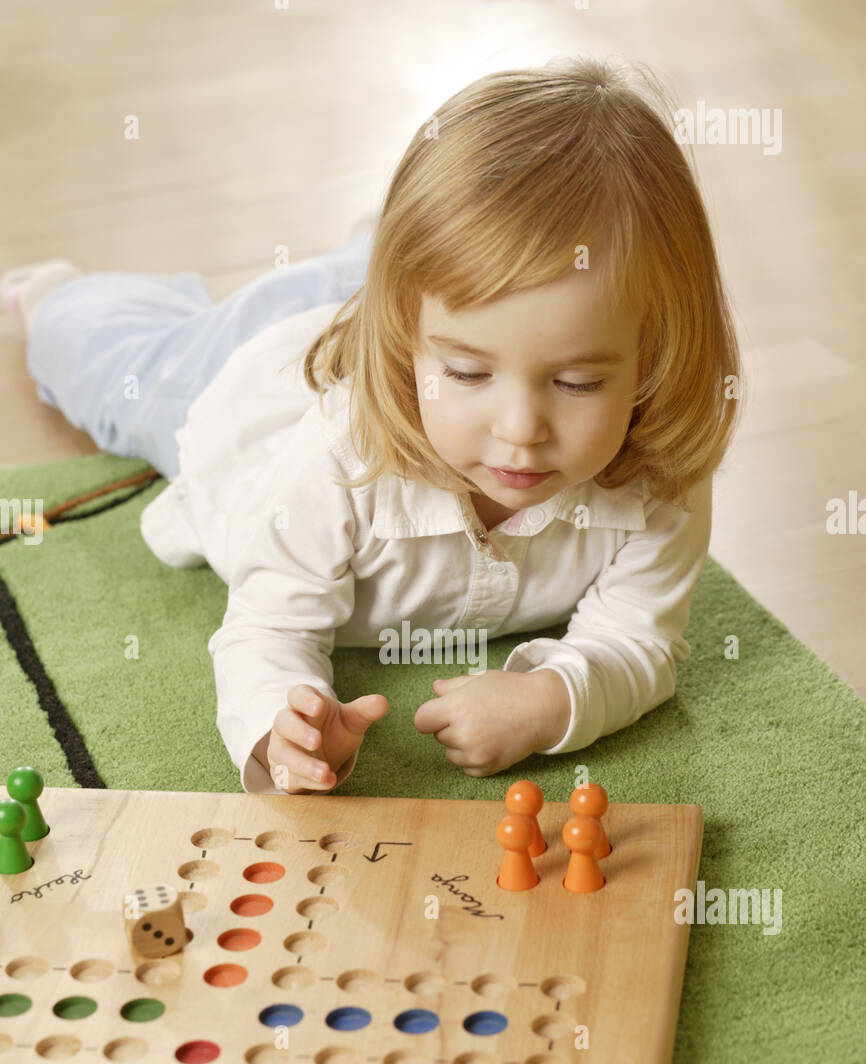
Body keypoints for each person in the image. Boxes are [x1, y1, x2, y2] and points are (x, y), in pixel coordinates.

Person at [3, 57, 741, 795]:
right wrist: (276, 734)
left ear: (656, 359)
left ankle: (372, 253)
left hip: (382, 309)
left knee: (375, 274)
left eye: (578, 382)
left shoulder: (658, 470)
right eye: (470, 374)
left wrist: (551, 702)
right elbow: (268, 631)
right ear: (408, 338)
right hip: (248, 383)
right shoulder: (332, 459)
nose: (521, 430)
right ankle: (68, 296)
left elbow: (638, 640)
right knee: (102, 366)